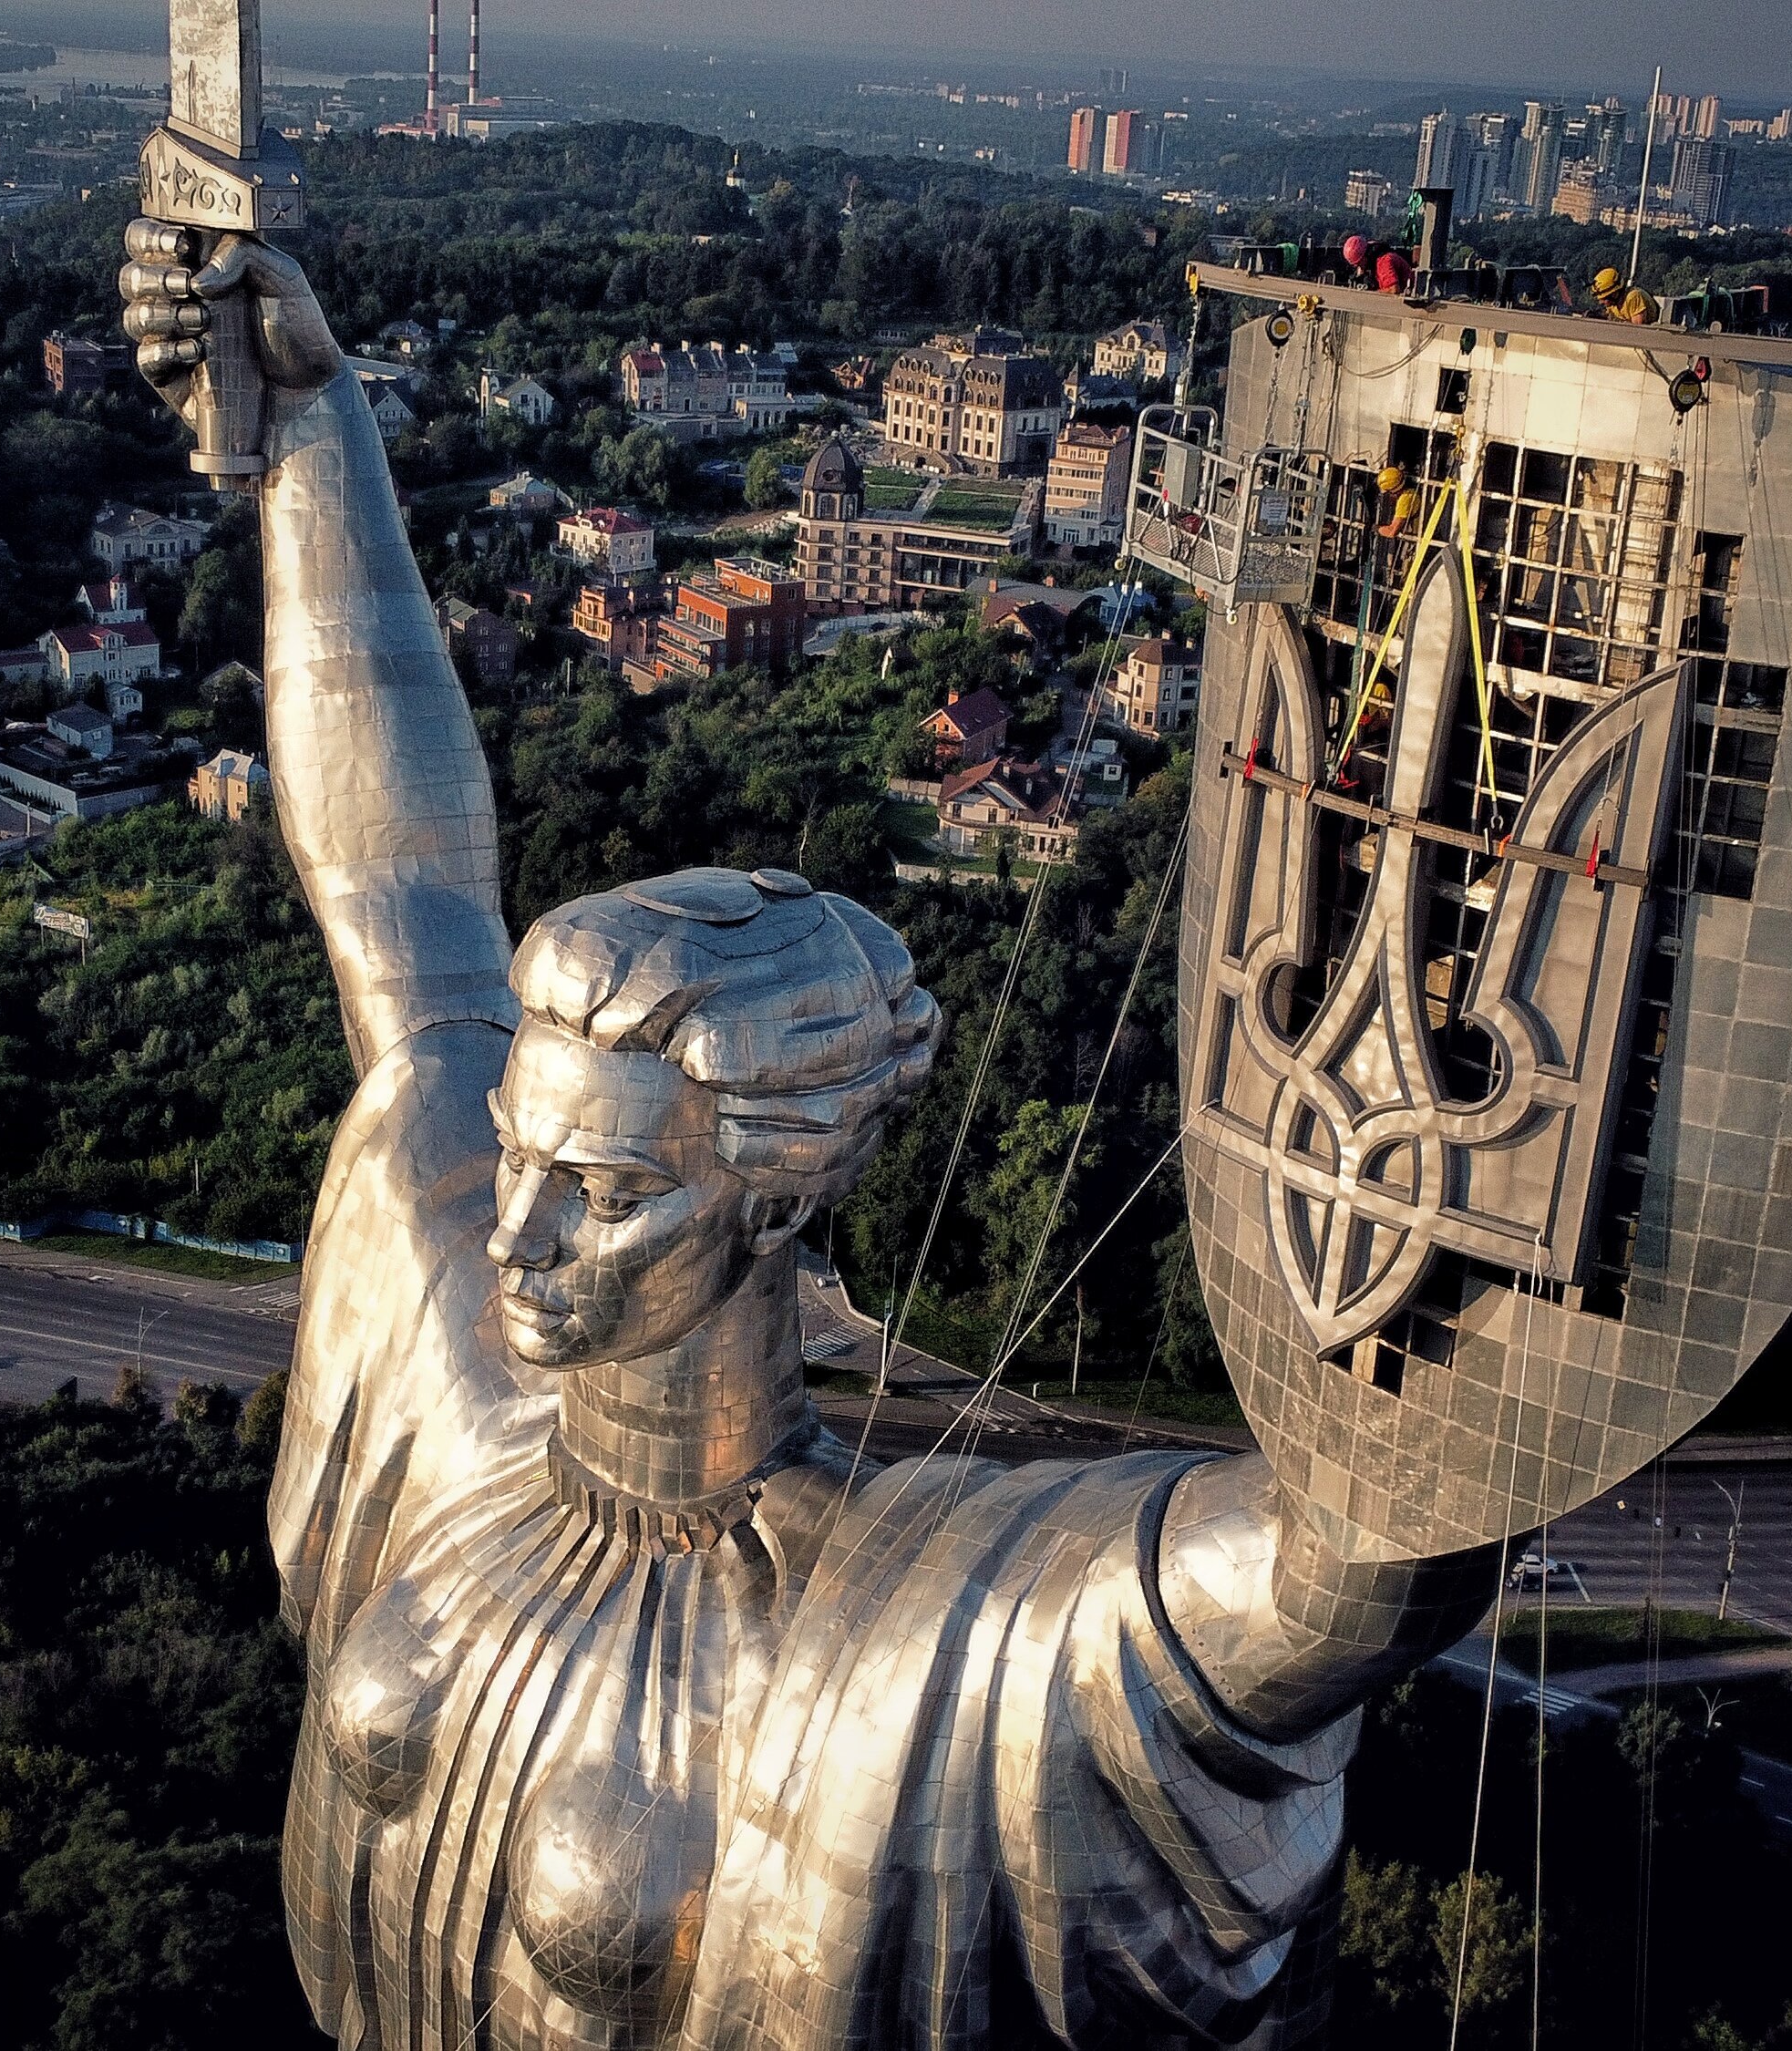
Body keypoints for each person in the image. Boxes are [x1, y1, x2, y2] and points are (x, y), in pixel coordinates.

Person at [119, 220, 1500, 2051]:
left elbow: (1349, 1574)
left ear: (773, 1195)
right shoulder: (459, 1395)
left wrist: (1443, 982)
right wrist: (308, 426)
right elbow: (393, 888)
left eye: (605, 1195)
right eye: (523, 1161)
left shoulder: (932, 1633)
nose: (513, 1237)